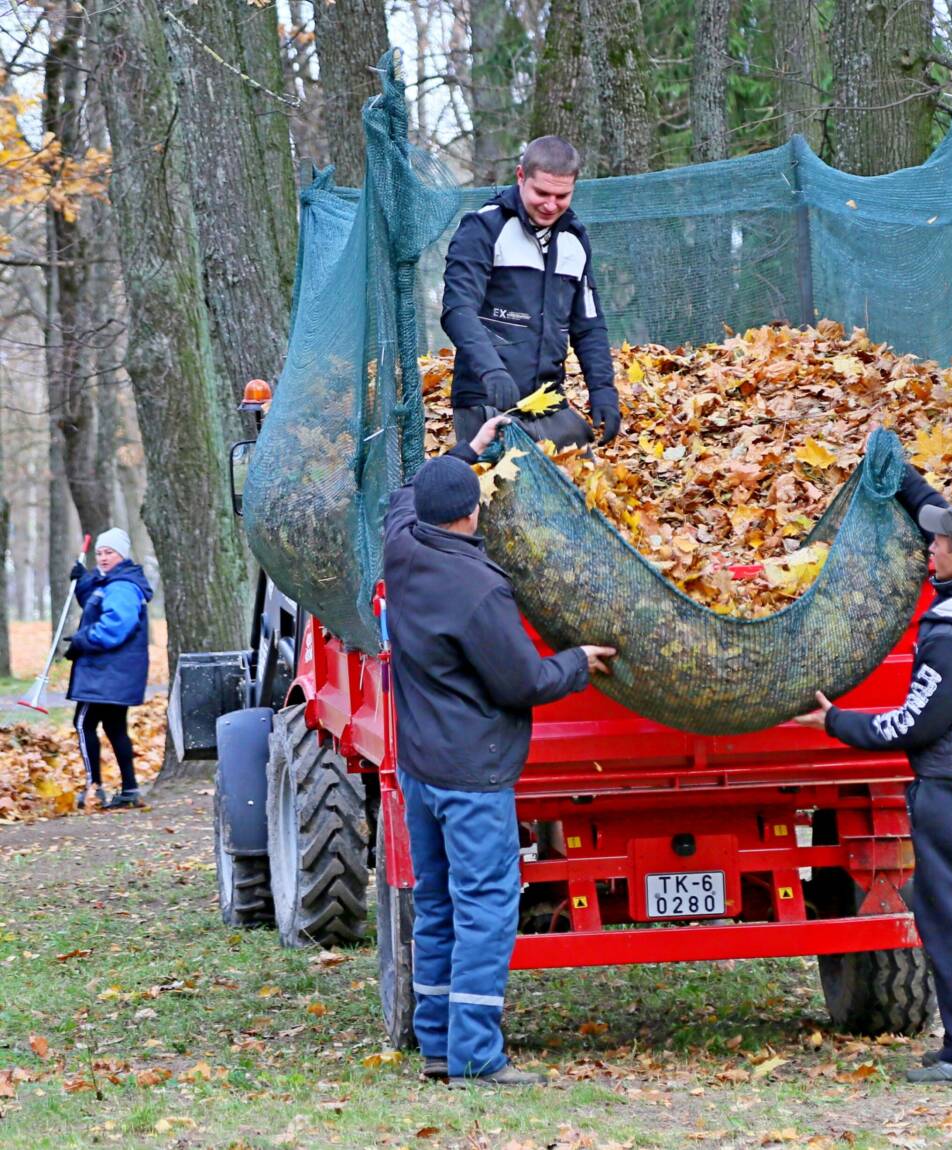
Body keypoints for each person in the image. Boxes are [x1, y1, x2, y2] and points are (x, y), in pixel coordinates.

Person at [382, 414, 616, 1088]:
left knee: (438, 904)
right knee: (486, 906)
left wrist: (467, 449)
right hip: (472, 774)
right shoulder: (479, 591)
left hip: (421, 770)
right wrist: (578, 659)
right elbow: (526, 681)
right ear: (474, 511)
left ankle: (436, 1045)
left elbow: (404, 494)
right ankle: (477, 1058)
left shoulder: (402, 545)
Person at [795, 467, 952, 1087]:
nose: (927, 549)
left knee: (944, 914)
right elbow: (941, 517)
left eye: (936, 546)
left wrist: (835, 721)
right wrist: (903, 477)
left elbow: (910, 726)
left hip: (951, 789)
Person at [441, 135, 621, 450]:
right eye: (542, 192)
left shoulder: (575, 240)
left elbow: (589, 324)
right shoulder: (482, 228)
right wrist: (491, 369)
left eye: (562, 195)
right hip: (486, 398)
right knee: (504, 492)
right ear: (521, 176)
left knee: (584, 486)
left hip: (546, 401)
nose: (551, 205)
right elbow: (458, 310)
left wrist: (603, 389)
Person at [65, 527, 155, 811]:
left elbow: (114, 627)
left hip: (107, 671)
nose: (103, 558)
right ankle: (129, 789)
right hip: (110, 672)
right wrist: (83, 581)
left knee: (84, 723)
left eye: (110, 552)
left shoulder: (122, 587)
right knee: (114, 727)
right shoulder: (111, 582)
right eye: (100, 553)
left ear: (122, 554)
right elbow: (94, 606)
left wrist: (82, 640)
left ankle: (94, 787)